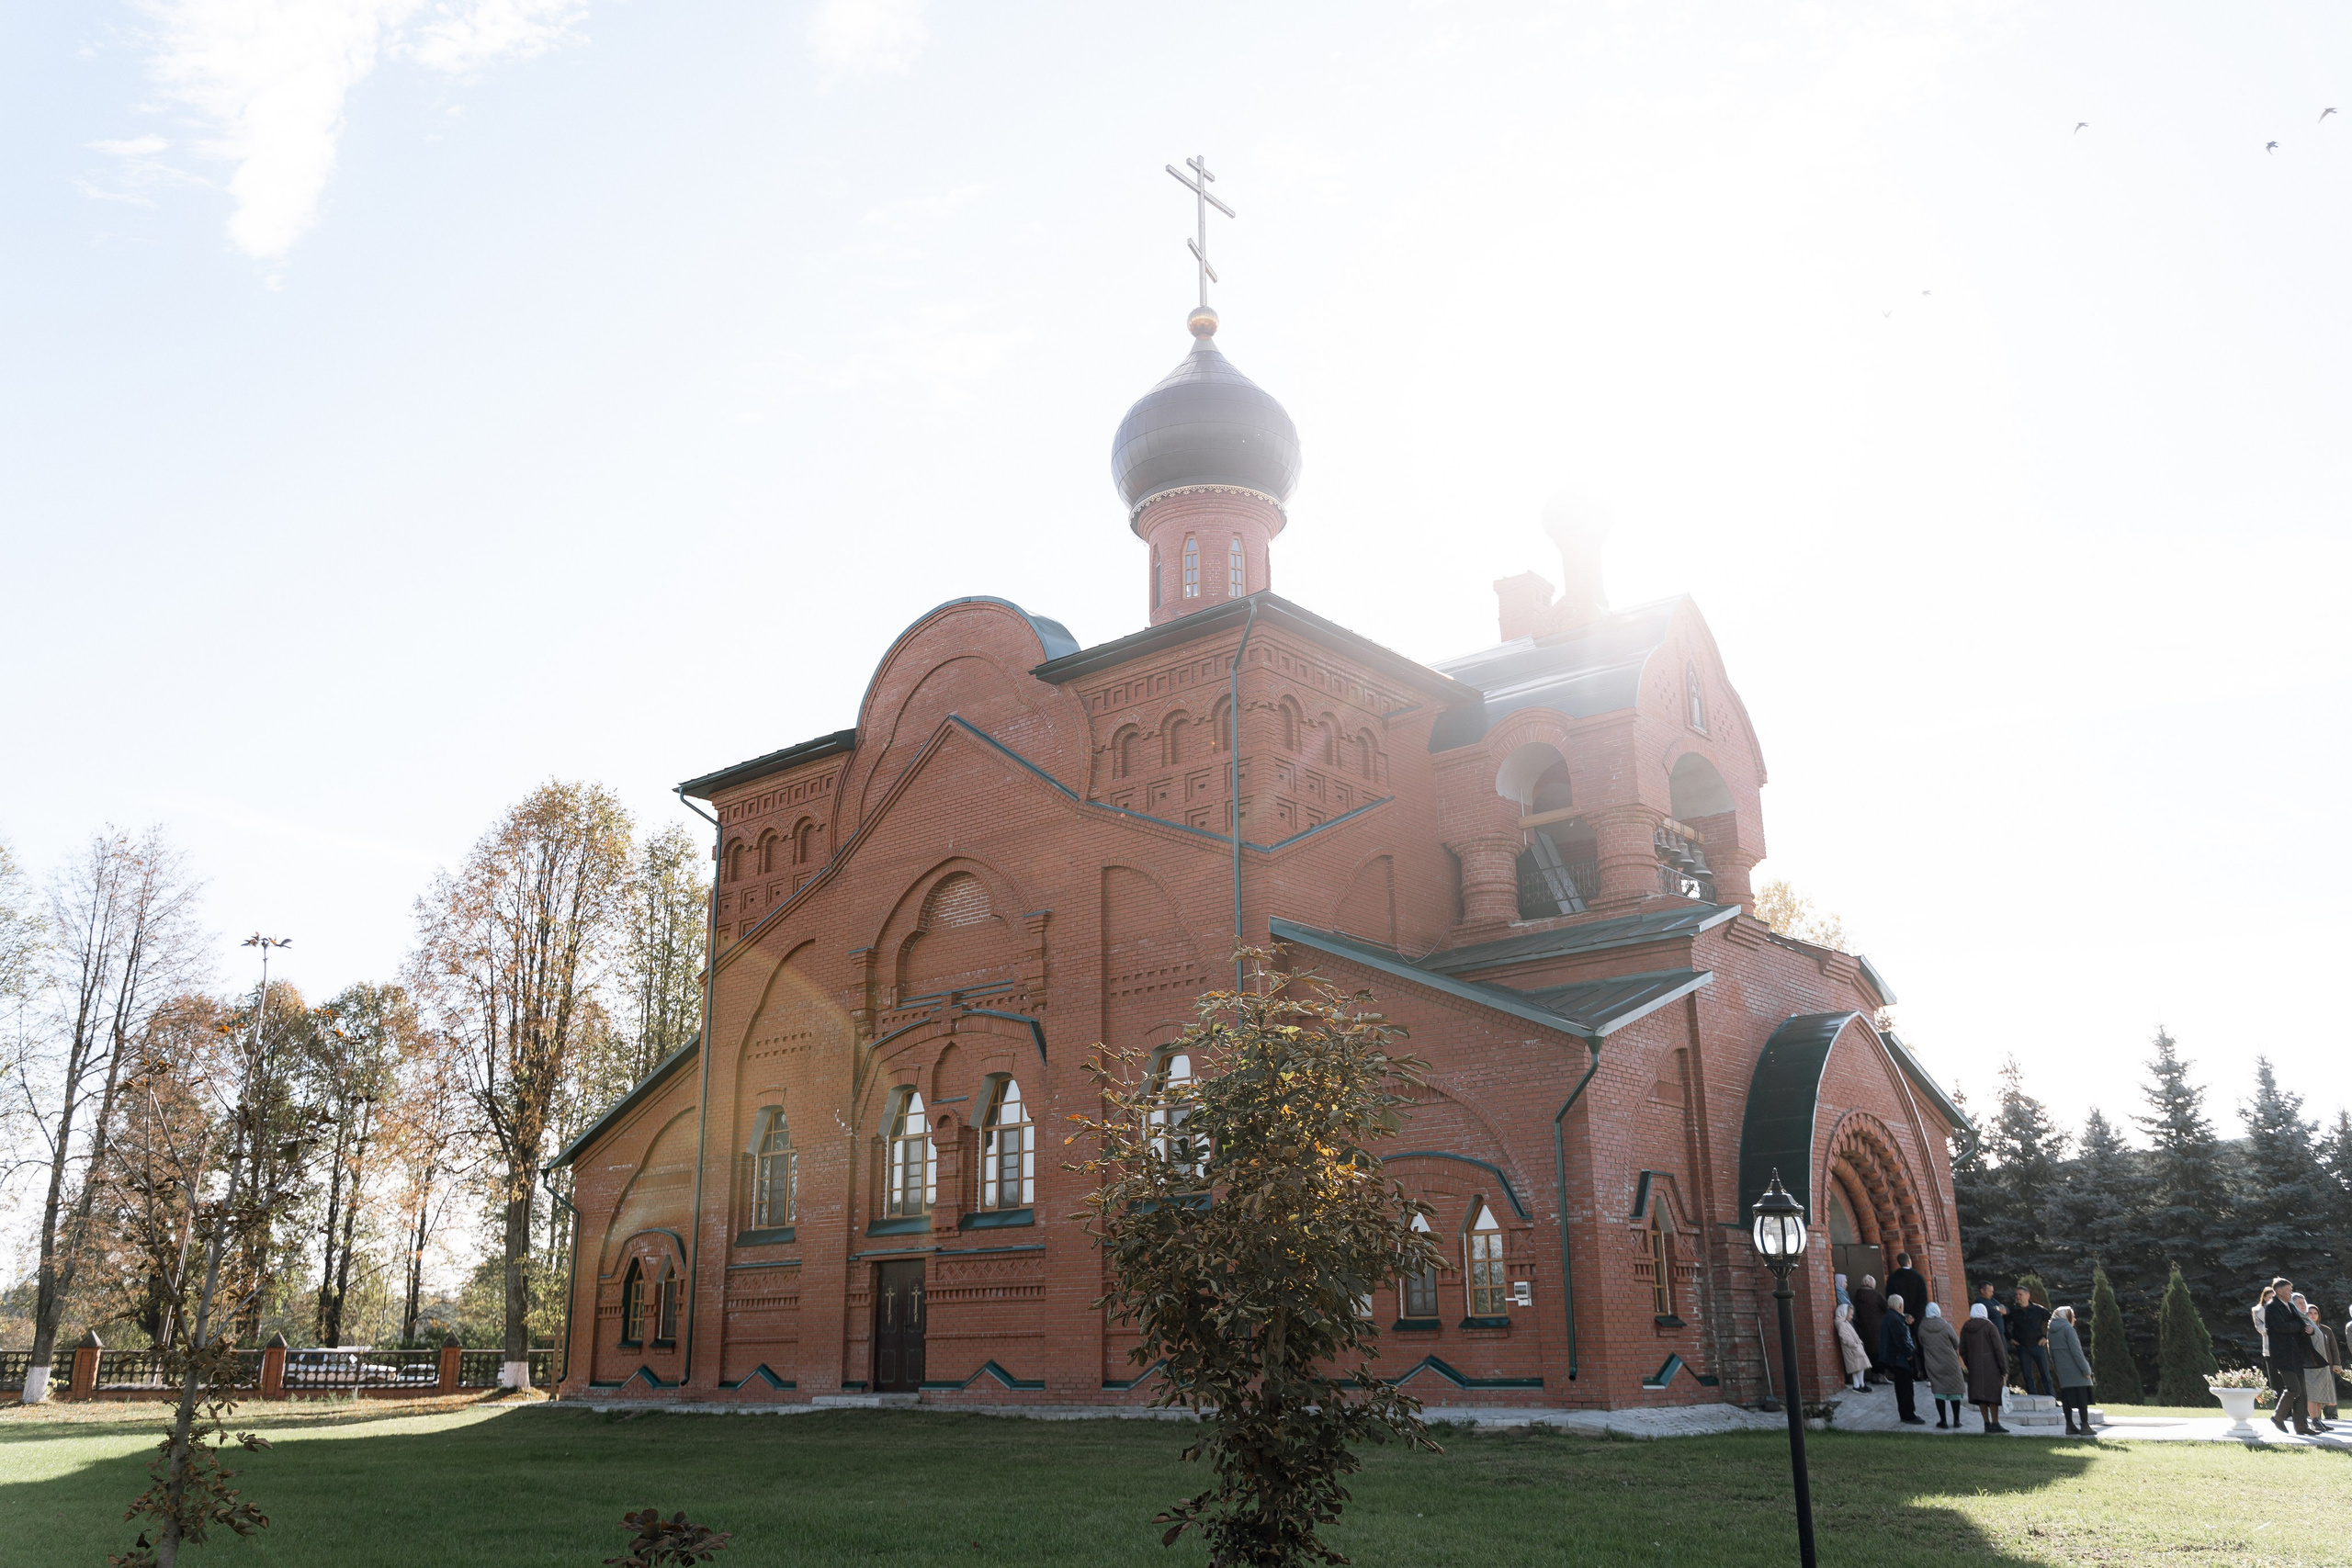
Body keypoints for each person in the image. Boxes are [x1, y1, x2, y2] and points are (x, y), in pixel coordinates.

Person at [2264, 1277, 2315, 1436]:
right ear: (2279, 1291)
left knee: (2303, 1392)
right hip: (2283, 1355)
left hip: (2295, 1354)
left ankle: (2301, 1427)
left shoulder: (2290, 1306)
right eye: (2289, 1290)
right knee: (2294, 1388)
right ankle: (2278, 1416)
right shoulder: (2272, 1307)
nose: (2291, 1292)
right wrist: (2299, 1326)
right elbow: (2282, 1327)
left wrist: (2308, 1329)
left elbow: (2299, 1324)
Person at [1962, 1301, 2011, 1434]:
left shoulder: (1966, 1327)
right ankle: (1995, 1423)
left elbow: (1962, 1349)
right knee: (1993, 1396)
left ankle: (1986, 1423)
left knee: (1981, 1396)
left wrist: (1969, 1363)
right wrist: (2004, 1368)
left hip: (1975, 1366)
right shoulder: (1990, 1327)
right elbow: (1998, 1349)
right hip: (1992, 1366)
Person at [2048, 1303, 2096, 1437]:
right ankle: (2085, 1426)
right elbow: (2077, 1352)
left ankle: (2069, 1426)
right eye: (2072, 1316)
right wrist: (2086, 1370)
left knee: (2067, 1399)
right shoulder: (2068, 1329)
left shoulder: (2051, 1330)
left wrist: (2058, 1368)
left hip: (2063, 1371)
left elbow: (2050, 1352)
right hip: (2076, 1369)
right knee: (2082, 1399)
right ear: (2067, 1317)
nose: (2074, 1319)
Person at [1879, 1292, 1927, 1425]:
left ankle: (1906, 1413)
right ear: (1900, 1305)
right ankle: (1908, 1414)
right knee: (1905, 1388)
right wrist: (1909, 1353)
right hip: (1900, 1359)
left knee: (1902, 1387)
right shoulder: (1894, 1320)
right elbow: (1900, 1339)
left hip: (1895, 1358)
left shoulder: (1889, 1317)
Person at [1918, 1300, 1967, 1429]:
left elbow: (1921, 1342)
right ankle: (1956, 1420)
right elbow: (1956, 1342)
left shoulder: (1922, 1327)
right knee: (1954, 1390)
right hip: (1950, 1362)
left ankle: (1943, 1421)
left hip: (1933, 1362)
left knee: (1939, 1391)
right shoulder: (1946, 1326)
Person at [2292, 1294, 2334, 1434]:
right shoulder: (2297, 1319)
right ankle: (2314, 1420)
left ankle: (2317, 1419)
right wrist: (2308, 1333)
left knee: (2318, 1392)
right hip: (2309, 1361)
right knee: (2312, 1393)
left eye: (2304, 1302)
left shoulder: (2306, 1317)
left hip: (2319, 1361)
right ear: (2292, 1305)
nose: (2303, 1305)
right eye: (2299, 1303)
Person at [2008, 1286, 2053, 1397]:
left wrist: (2046, 1337)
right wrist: (2010, 1337)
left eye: (2020, 1294)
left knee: (2045, 1374)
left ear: (2028, 1296)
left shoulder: (2038, 1310)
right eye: (2016, 1295)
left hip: (2038, 1345)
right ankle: (2033, 1397)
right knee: (2027, 1375)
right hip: (2022, 1347)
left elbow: (2053, 1321)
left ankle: (2052, 1397)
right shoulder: (2013, 1311)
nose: (2018, 1297)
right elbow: (2003, 1324)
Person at [1851, 1274, 1888, 1382]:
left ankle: (1874, 1374)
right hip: (1878, 1328)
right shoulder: (1876, 1296)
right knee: (1880, 1351)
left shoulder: (1857, 1296)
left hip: (1864, 1328)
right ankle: (1881, 1374)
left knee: (1870, 1351)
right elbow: (1886, 1308)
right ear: (1871, 1284)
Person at [1888, 1253, 1931, 1331]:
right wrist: (1914, 1316)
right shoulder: (1918, 1278)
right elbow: (1923, 1299)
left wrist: (1903, 1315)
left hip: (1900, 1318)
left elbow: (1890, 1299)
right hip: (1917, 1318)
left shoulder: (1892, 1278)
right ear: (1909, 1261)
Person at [1835, 1302, 1871, 1392]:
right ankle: (1857, 1385)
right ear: (1844, 1313)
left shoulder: (1845, 1322)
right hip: (1851, 1349)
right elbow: (1845, 1337)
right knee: (1857, 1367)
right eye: (1850, 1314)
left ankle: (1860, 1384)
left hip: (1854, 1348)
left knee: (1859, 1366)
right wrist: (1854, 1344)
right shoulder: (1841, 1323)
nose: (1851, 1317)